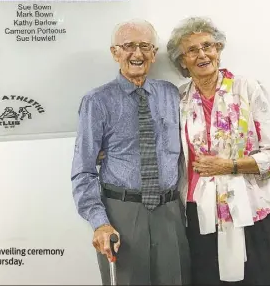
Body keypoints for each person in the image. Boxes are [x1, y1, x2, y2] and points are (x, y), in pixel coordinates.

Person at [166, 16, 270, 285]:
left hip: (248, 210)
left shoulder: (247, 88)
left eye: (208, 46)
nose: (202, 54)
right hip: (199, 214)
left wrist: (230, 166)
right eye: (192, 50)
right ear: (182, 61)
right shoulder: (178, 99)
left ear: (219, 49)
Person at [71, 19, 190, 285]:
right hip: (121, 214)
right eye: (128, 46)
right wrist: (99, 222)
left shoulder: (172, 95)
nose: (137, 54)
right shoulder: (97, 101)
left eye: (145, 46)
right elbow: (83, 170)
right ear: (115, 53)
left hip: (170, 213)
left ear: (154, 53)